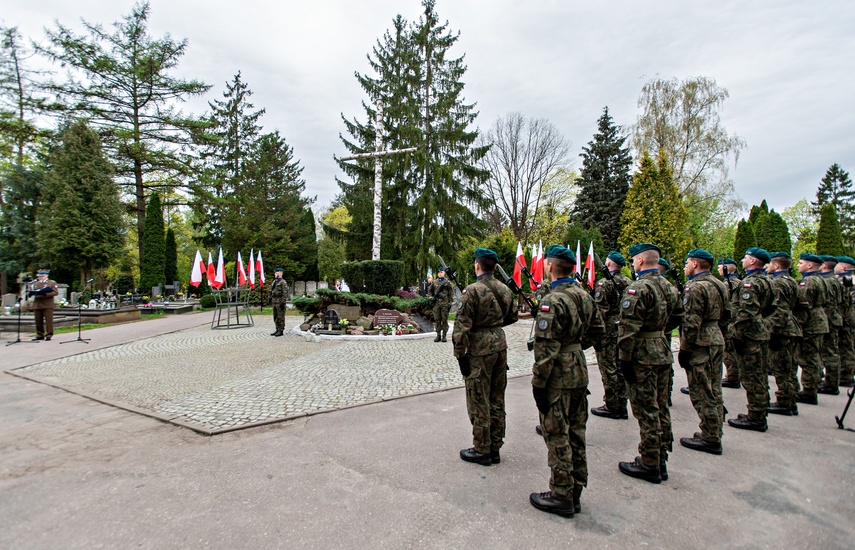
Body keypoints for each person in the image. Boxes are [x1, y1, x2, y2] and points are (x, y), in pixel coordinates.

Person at [529, 246, 605, 518]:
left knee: (557, 433)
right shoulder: (584, 295)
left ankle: (561, 493)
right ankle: (576, 491)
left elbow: (546, 349)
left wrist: (538, 383)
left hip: (558, 376)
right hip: (578, 371)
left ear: (550, 267)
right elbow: (598, 330)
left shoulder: (554, 300)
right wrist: (575, 348)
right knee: (576, 431)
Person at [617, 243, 683, 484]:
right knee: (661, 405)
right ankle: (661, 457)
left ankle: (650, 462)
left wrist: (624, 359)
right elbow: (678, 315)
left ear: (641, 261)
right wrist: (659, 331)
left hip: (642, 354)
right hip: (662, 350)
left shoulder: (638, 288)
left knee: (646, 409)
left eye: (634, 260)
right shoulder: (669, 286)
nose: (633, 263)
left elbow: (627, 329)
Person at [453, 248, 518, 466]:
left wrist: (460, 355)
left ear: (478, 265)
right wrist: (493, 327)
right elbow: (513, 316)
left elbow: (462, 327)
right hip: (500, 346)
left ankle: (482, 449)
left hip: (479, 350)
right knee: (497, 397)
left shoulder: (471, 291)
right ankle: (496, 446)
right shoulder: (505, 289)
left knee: (479, 398)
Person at [678, 249, 729, 455]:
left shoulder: (696, 287)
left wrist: (685, 348)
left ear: (695, 264)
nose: (685, 267)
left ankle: (710, 436)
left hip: (700, 342)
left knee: (702, 390)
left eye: (687, 263)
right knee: (714, 387)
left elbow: (691, 322)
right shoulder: (719, 284)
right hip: (715, 336)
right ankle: (714, 430)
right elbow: (728, 314)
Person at [727, 247, 776, 432]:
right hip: (759, 331)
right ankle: (758, 412)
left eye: (745, 257)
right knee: (759, 375)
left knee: (752, 376)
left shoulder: (750, 283)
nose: (742, 260)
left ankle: (756, 416)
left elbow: (746, 312)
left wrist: (737, 334)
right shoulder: (768, 281)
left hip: (749, 335)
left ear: (753, 261)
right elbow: (771, 308)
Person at [590, 251, 632, 420]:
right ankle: (622, 403)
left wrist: (595, 335)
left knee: (608, 369)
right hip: (622, 329)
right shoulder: (629, 282)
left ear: (608, 264)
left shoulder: (604, 283)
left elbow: (600, 312)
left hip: (607, 331)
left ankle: (612, 405)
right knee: (620, 367)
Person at [766, 252, 803, 416]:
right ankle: (791, 399)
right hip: (791, 326)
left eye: (770, 263)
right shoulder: (792, 281)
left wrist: (774, 332)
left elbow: (779, 311)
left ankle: (785, 401)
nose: (768, 266)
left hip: (781, 329)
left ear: (777, 265)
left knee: (781, 367)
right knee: (789, 366)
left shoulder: (778, 283)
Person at [794, 253, 829, 405]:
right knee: (814, 356)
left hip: (811, 322)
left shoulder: (808, 281)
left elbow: (803, 305)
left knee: (809, 357)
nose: (797, 265)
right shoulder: (822, 279)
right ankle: (811, 388)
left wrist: (798, 324)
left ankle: (809, 391)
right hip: (819, 319)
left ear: (809, 265)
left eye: (800, 263)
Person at [818, 256, 845, 395]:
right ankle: (832, 381)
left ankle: (831, 383)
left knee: (828, 352)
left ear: (823, 266)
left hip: (828, 317)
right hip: (833, 316)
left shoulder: (826, 281)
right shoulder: (835, 280)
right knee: (832, 350)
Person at [718, 258, 743, 389]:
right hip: (737, 320)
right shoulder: (740, 282)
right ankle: (735, 374)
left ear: (726, 269)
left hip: (729, 321)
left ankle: (733, 376)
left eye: (720, 267)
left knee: (729, 350)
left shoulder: (728, 284)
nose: (718, 270)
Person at [834, 256, 855, 387]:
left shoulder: (849, 281)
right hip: (846, 316)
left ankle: (846, 375)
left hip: (848, 317)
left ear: (843, 267)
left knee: (847, 346)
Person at [29, 269, 58, 341]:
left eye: (42, 276)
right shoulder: (35, 283)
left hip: (47, 304)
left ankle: (49, 334)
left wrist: (45, 294)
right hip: (37, 303)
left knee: (48, 320)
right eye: (39, 276)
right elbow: (30, 291)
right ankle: (40, 334)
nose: (40, 277)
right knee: (38, 320)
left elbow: (55, 292)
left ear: (46, 275)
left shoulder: (51, 283)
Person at [428, 267, 454, 342]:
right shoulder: (434, 282)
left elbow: (451, 293)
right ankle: (438, 335)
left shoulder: (447, 282)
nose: (440, 273)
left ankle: (444, 336)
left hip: (445, 304)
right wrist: (431, 298)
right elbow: (430, 291)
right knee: (437, 319)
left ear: (444, 273)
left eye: (441, 272)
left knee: (444, 320)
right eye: (439, 272)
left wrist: (450, 302)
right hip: (436, 304)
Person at [268, 268, 289, 337]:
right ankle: (277, 329)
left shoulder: (283, 282)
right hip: (274, 301)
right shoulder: (275, 282)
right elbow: (272, 291)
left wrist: (283, 303)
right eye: (275, 273)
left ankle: (281, 330)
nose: (275, 274)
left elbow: (285, 293)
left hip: (280, 302)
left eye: (276, 273)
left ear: (280, 273)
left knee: (280, 317)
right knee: (275, 316)